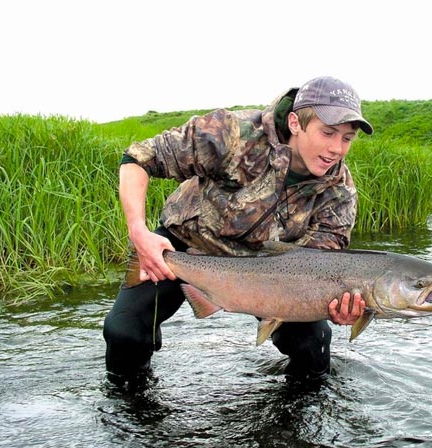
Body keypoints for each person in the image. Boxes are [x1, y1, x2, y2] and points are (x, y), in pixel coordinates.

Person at [103, 76, 374, 387]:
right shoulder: (234, 132)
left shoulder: (339, 191)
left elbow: (322, 264)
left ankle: (292, 428)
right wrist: (139, 232)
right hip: (183, 249)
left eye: (347, 139)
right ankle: (133, 416)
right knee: (124, 333)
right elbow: (137, 159)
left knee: (314, 345)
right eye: (327, 133)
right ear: (296, 123)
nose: (336, 149)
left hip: (274, 271)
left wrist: (336, 304)